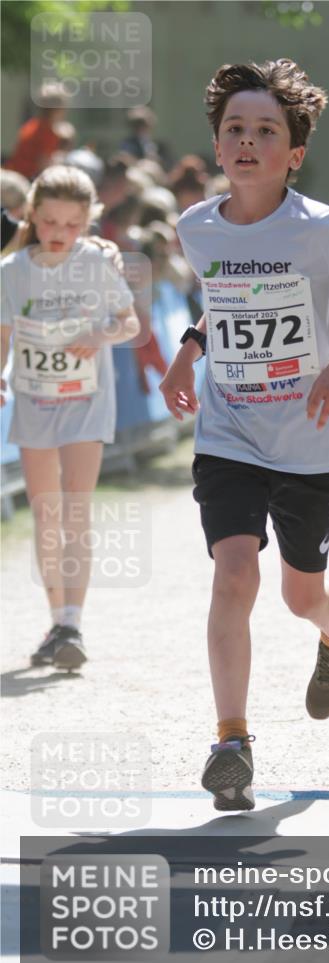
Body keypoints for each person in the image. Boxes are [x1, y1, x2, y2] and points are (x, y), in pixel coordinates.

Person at [159, 59, 329, 812]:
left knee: (303, 600)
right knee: (235, 574)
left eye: (266, 130)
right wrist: (186, 352)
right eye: (235, 127)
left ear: (293, 153)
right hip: (228, 430)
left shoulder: (320, 229)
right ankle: (231, 740)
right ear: (217, 141)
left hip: (307, 439)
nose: (247, 140)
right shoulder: (196, 226)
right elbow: (224, 305)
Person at [0, 165, 140, 669]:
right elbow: (3, 333)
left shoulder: (97, 264)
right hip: (36, 401)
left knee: (75, 510)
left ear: (87, 223)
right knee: (46, 513)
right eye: (50, 222)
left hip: (85, 402)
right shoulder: (12, 271)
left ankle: (72, 623)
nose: (59, 234)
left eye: (70, 225)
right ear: (32, 215)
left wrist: (100, 335)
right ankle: (56, 618)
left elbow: (129, 322)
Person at [4, 83, 70, 180]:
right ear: (57, 109)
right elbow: (43, 166)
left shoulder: (31, 125)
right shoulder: (47, 132)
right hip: (26, 180)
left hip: (14, 176)